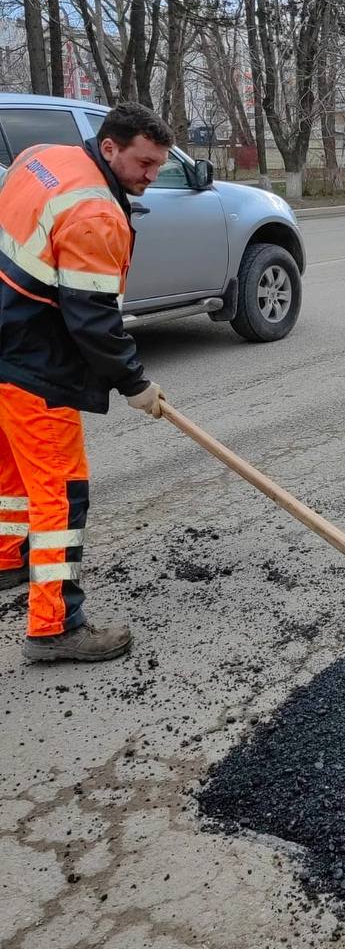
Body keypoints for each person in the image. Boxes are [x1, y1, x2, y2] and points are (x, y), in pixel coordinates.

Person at [0, 102, 170, 663]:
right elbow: (94, 319)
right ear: (110, 148)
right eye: (143, 164)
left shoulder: (42, 157)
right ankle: (54, 627)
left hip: (5, 338)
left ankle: (6, 561)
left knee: (10, 475)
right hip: (34, 362)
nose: (150, 177)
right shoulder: (96, 214)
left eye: (159, 166)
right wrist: (134, 384)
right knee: (60, 494)